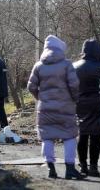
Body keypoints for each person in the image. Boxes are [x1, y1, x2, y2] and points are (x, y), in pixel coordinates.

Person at [27, 35, 84, 180]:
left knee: (47, 137)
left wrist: (40, 97)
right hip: (65, 107)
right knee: (69, 136)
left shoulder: (38, 65)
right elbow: (74, 85)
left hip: (45, 108)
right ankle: (70, 169)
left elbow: (31, 86)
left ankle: (50, 168)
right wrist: (74, 98)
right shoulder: (66, 64)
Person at [73, 39, 100, 177]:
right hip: (99, 102)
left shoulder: (75, 66)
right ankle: (94, 166)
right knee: (96, 135)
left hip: (80, 103)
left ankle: (83, 165)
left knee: (83, 133)